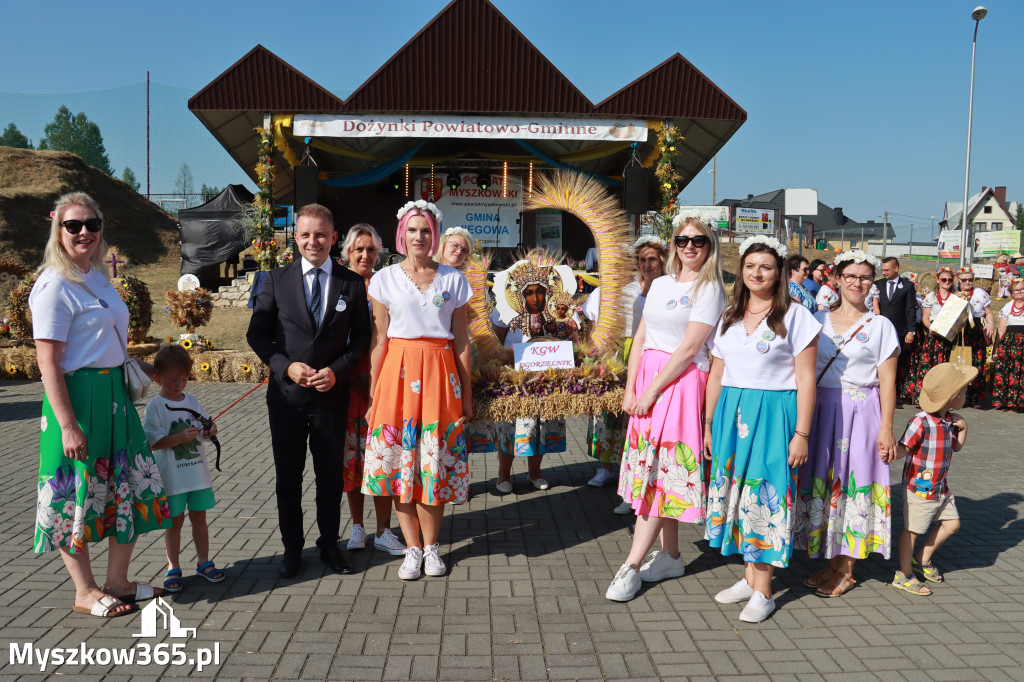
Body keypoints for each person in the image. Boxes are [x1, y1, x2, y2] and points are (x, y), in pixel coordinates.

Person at [30, 192, 171, 618]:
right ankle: (84, 590)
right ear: (58, 230)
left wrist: (140, 366)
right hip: (77, 401)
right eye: (74, 225)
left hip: (113, 397)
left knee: (121, 486)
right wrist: (68, 424)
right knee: (73, 492)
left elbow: (105, 340)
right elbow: (47, 361)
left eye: (92, 224)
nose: (85, 232)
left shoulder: (97, 278)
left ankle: (117, 582)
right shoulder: (54, 285)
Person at [247, 203, 371, 578]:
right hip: (287, 399)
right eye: (305, 234)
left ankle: (330, 545)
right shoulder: (275, 279)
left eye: (321, 234)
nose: (313, 241)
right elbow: (257, 333)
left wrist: (337, 371)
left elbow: (363, 338)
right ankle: (291, 549)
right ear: (296, 237)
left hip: (331, 397)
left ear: (334, 238)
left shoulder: (351, 283)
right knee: (289, 478)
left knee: (330, 477)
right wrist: (286, 366)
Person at [605, 218, 725, 602]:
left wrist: (652, 391)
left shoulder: (709, 289)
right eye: (683, 239)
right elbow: (641, 335)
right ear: (673, 243)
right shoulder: (660, 284)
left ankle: (632, 564)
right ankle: (671, 555)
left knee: (662, 473)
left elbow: (690, 348)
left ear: (710, 245)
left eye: (698, 240)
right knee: (652, 468)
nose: (690, 246)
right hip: (649, 380)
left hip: (682, 382)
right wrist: (631, 387)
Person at [703, 235, 820, 623]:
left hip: (774, 414)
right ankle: (750, 577)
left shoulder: (796, 316)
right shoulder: (730, 315)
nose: (757, 273)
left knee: (765, 494)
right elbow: (717, 375)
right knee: (735, 492)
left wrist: (801, 433)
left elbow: (806, 380)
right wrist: (708, 423)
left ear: (779, 272)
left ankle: (765, 592)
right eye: (750, 266)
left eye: (766, 266)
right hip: (731, 415)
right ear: (741, 271)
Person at [362, 201, 472, 580]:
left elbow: (462, 342)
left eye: (426, 231)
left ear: (435, 235)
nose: (419, 237)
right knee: (399, 463)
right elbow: (379, 341)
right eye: (412, 230)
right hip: (397, 373)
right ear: (402, 234)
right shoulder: (384, 279)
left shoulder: (455, 280)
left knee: (433, 460)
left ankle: (432, 547)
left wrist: (467, 394)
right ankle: (411, 548)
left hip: (441, 373)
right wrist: (373, 394)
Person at [795, 251, 899, 598]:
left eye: (866, 277)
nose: (858, 283)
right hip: (822, 409)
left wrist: (887, 428)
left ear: (874, 283)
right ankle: (833, 560)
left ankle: (849, 568)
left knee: (855, 481)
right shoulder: (815, 318)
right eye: (851, 276)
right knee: (827, 481)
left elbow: (888, 382)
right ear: (836, 279)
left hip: (860, 412)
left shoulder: (881, 326)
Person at [581, 236, 666, 509]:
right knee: (612, 413)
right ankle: (607, 468)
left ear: (663, 260)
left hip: (653, 355)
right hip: (625, 353)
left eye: (652, 259)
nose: (646, 264)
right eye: (642, 260)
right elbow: (607, 326)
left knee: (640, 419)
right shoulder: (628, 290)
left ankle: (636, 486)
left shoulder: (669, 290)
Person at [337, 224, 406, 556]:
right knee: (353, 459)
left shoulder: (389, 285)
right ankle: (357, 528)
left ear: (380, 253)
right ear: (347, 252)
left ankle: (384, 530)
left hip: (385, 382)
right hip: (348, 384)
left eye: (371, 250)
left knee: (384, 457)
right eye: (358, 249)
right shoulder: (337, 286)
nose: (365, 255)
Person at [143, 345, 225, 593]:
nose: (179, 384)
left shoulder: (192, 401)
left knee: (200, 518)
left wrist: (211, 430)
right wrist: (179, 437)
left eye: (184, 378)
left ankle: (203, 562)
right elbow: (155, 443)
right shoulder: (154, 406)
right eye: (173, 379)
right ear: (157, 376)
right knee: (174, 523)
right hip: (173, 478)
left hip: (197, 476)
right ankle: (173, 567)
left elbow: (207, 428)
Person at [892, 362, 974, 596]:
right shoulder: (921, 421)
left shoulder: (950, 419)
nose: (966, 396)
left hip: (941, 487)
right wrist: (886, 452)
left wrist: (964, 428)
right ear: (952, 398)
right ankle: (904, 574)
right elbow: (903, 448)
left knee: (953, 524)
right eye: (964, 393)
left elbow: (956, 448)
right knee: (912, 531)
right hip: (920, 488)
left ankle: (922, 558)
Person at [875, 257, 917, 403]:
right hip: (880, 330)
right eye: (883, 270)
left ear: (896, 269)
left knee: (895, 363)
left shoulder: (907, 286)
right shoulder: (877, 285)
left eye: (887, 270)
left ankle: (894, 395)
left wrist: (911, 330)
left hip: (899, 331)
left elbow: (910, 309)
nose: (884, 272)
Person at [955, 267, 994, 407]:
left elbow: (988, 312)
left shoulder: (980, 293)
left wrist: (990, 324)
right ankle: (956, 396)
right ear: (958, 280)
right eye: (964, 279)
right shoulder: (953, 292)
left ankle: (975, 397)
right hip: (958, 330)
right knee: (957, 363)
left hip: (975, 329)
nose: (967, 282)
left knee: (977, 363)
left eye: (970, 279)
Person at [990, 277, 1024, 412]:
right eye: (1016, 290)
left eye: (1022, 289)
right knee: (1009, 371)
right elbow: (1002, 328)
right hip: (1010, 343)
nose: (1020, 292)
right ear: (1011, 293)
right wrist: (996, 347)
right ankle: (1009, 403)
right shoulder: (1007, 306)